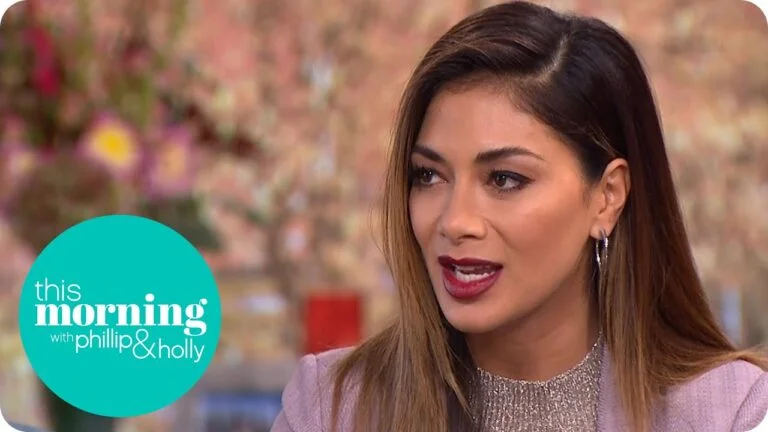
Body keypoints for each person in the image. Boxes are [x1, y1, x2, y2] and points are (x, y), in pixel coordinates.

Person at [270, 1, 768, 431]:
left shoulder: (733, 410)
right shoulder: (331, 408)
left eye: (505, 179)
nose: (455, 221)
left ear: (607, 197)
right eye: (429, 175)